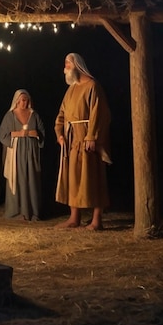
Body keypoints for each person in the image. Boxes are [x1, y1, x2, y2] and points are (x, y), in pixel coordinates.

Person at [54, 53, 112, 231]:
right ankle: (74, 217)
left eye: (68, 65)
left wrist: (92, 136)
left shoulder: (93, 86)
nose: (65, 69)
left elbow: (99, 113)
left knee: (93, 176)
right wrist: (60, 133)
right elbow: (62, 114)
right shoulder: (71, 89)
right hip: (72, 140)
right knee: (73, 178)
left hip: (87, 137)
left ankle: (96, 220)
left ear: (77, 65)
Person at [0, 89, 46, 221]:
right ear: (17, 101)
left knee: (31, 179)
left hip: (31, 152)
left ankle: (32, 212)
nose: (24, 102)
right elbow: (3, 134)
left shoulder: (34, 115)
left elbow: (41, 132)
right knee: (18, 178)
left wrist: (34, 134)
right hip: (16, 153)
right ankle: (17, 211)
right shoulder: (10, 116)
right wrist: (18, 134)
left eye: (26, 100)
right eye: (22, 100)